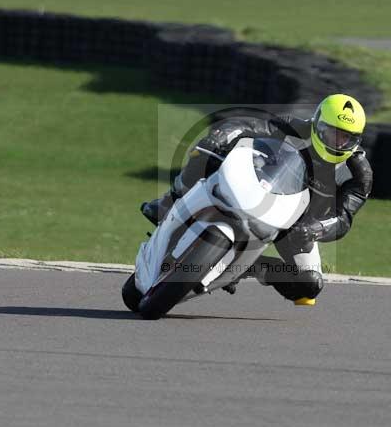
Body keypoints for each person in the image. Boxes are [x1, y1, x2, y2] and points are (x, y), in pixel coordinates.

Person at [141, 94, 373, 306]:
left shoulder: (358, 173)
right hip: (257, 189)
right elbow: (248, 124)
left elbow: (343, 219)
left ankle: (247, 267)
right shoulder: (293, 127)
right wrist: (221, 136)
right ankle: (170, 202)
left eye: (346, 138)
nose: (337, 142)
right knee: (207, 151)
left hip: (296, 228)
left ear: (357, 140)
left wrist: (316, 229)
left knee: (308, 286)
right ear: (316, 123)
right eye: (330, 131)